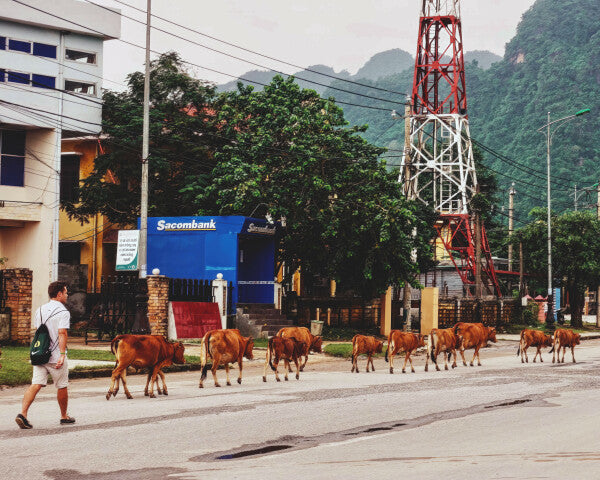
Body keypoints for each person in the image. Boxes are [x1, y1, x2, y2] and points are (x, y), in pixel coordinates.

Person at [15, 281, 75, 429]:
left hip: (40, 354)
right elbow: (62, 332)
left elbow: (38, 331)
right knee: (62, 385)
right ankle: (64, 416)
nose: (67, 295)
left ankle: (23, 413)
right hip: (55, 356)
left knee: (36, 384)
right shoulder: (63, 312)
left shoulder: (40, 310)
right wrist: (61, 354)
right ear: (59, 294)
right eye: (66, 292)